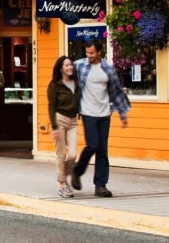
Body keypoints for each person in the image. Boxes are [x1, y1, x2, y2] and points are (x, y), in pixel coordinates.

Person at [72, 39, 131, 197]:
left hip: (105, 113)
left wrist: (122, 114)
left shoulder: (108, 68)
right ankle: (77, 171)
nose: (89, 56)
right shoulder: (79, 65)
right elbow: (64, 74)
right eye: (87, 53)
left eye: (92, 53)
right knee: (92, 145)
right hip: (87, 111)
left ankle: (100, 185)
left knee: (102, 150)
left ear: (99, 52)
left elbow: (116, 91)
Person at [46, 56, 79, 198]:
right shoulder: (54, 85)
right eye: (66, 65)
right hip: (60, 119)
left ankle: (62, 177)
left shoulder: (76, 82)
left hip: (73, 120)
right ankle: (63, 185)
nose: (70, 67)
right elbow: (51, 106)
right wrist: (54, 127)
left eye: (71, 65)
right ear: (60, 68)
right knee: (61, 153)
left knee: (72, 154)